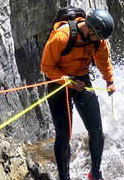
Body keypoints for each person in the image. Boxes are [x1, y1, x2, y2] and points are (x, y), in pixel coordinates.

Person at [41, 9, 116, 180]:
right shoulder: (62, 36)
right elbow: (46, 67)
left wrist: (109, 81)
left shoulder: (98, 40)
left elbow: (103, 59)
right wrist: (68, 81)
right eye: (98, 37)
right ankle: (64, 177)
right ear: (90, 30)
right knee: (64, 134)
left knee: (96, 130)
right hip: (58, 83)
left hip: (81, 80)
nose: (100, 41)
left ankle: (95, 173)